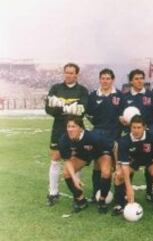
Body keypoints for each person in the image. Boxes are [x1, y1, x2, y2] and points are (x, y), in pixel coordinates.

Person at [113, 115, 153, 216]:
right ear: (130, 128)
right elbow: (124, 166)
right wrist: (129, 188)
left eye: (139, 127)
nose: (136, 130)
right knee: (118, 175)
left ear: (144, 127)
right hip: (132, 162)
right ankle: (120, 204)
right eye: (134, 127)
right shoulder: (124, 140)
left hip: (150, 160)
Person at [45, 63, 88, 206]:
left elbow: (82, 110)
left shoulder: (82, 90)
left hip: (76, 130)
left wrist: (61, 107)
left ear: (77, 74)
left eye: (71, 73)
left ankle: (77, 194)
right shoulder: (55, 88)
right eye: (66, 72)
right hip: (59, 128)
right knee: (55, 158)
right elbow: (49, 109)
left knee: (75, 160)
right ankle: (53, 192)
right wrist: (68, 109)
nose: (68, 75)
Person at [59, 116, 115, 213]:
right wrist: (74, 178)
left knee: (106, 172)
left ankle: (102, 201)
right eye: (69, 126)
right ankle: (81, 200)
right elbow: (67, 160)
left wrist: (116, 165)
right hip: (83, 155)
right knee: (66, 172)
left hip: (100, 153)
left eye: (73, 126)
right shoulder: (64, 139)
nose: (70, 129)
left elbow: (114, 146)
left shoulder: (94, 137)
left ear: (81, 128)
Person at [119, 69, 153, 201]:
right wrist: (123, 120)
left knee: (150, 162)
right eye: (136, 78)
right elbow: (120, 115)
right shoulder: (125, 97)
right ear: (131, 81)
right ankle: (125, 190)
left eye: (141, 78)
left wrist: (150, 128)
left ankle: (149, 191)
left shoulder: (151, 95)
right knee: (129, 161)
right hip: (132, 135)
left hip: (148, 135)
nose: (140, 80)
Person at [86, 68, 123, 201]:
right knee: (98, 164)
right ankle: (96, 193)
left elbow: (122, 116)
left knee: (114, 164)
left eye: (108, 78)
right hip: (98, 134)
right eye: (103, 78)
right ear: (99, 79)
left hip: (114, 134)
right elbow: (89, 115)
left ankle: (118, 195)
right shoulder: (93, 96)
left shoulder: (119, 95)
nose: (105, 81)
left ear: (112, 80)